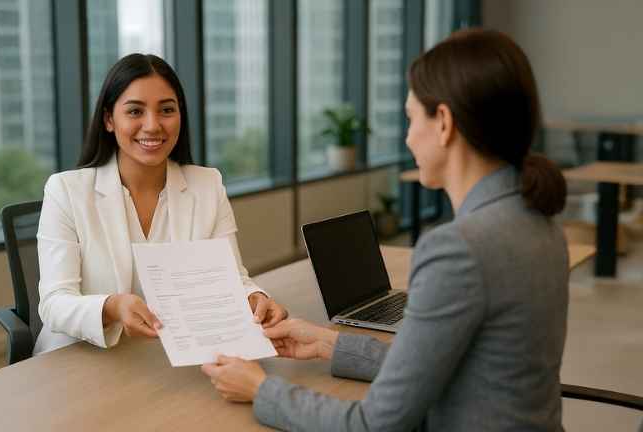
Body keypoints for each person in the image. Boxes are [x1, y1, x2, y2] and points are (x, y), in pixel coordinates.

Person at [201, 28, 570, 431]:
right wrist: (329, 343)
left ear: (444, 123)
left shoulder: (459, 249)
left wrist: (261, 389)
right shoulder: (539, 220)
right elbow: (450, 366)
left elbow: (374, 425)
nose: (408, 136)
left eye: (411, 118)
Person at [34, 54, 287, 355]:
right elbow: (54, 303)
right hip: (82, 357)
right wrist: (111, 307)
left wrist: (253, 297)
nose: (153, 126)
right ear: (109, 120)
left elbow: (231, 278)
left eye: (167, 110)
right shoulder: (66, 190)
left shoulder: (207, 185)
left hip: (170, 357)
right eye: (135, 111)